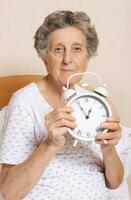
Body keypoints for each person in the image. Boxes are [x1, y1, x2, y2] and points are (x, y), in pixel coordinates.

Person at [0, 10, 124, 200]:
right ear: (44, 57)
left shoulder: (99, 104)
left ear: (87, 56)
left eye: (77, 49)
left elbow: (114, 182)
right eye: (58, 49)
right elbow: (9, 193)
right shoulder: (25, 101)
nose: (67, 59)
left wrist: (108, 149)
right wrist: (49, 144)